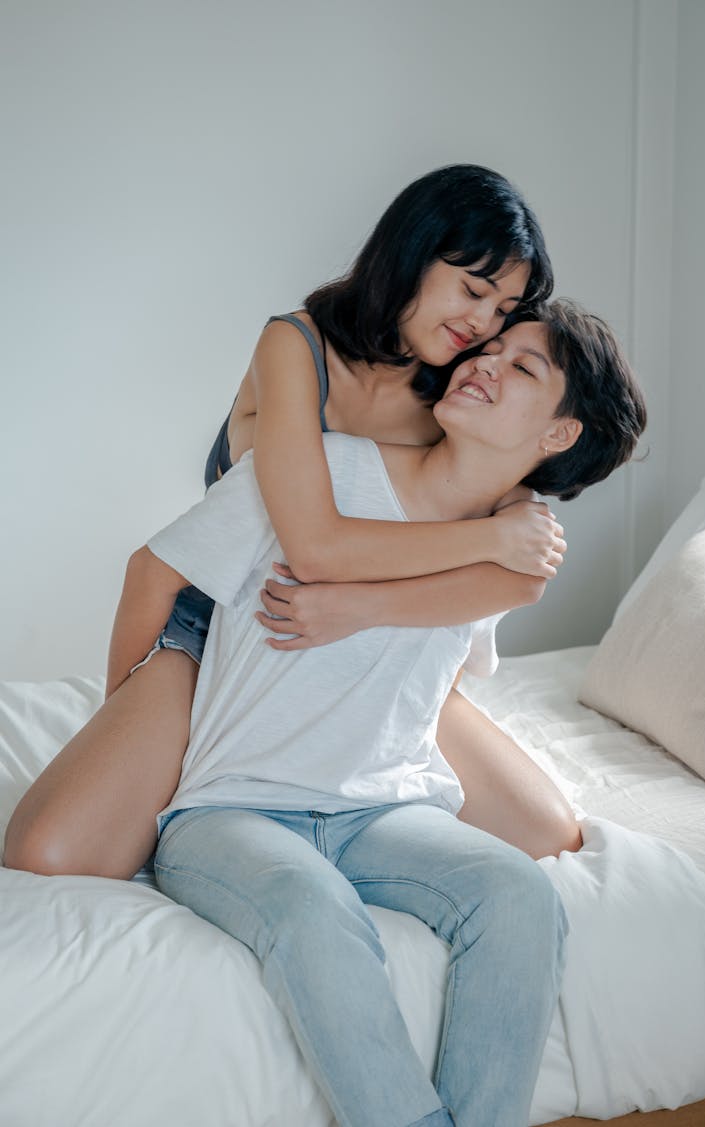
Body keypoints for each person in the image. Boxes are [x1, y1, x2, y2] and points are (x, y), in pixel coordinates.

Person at [97, 303, 644, 1127]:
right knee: (314, 907)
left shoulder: (516, 545)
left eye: (523, 366)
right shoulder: (310, 471)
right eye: (491, 346)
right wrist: (124, 731)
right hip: (233, 808)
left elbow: (443, 679)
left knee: (520, 896)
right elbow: (156, 573)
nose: (484, 361)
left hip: (385, 810)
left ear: (559, 435)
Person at [5, 165, 578, 881]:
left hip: (355, 641)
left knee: (549, 834)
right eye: (473, 290)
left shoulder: (452, 394)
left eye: (503, 310)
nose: (483, 324)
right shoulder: (298, 346)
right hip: (229, 621)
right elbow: (312, 544)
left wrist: (509, 523)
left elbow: (516, 565)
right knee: (49, 853)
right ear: (413, 252)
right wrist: (126, 723)